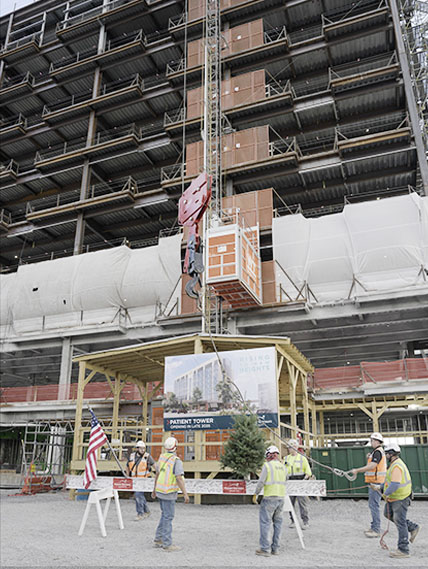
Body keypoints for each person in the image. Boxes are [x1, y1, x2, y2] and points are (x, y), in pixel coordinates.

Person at [379, 443, 420, 559]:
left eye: (387, 454)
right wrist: (381, 487)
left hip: (400, 498)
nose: (386, 456)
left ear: (391, 454)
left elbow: (395, 484)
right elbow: (389, 481)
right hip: (395, 498)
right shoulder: (393, 465)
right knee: (387, 514)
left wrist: (384, 494)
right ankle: (412, 527)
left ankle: (404, 550)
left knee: (400, 521)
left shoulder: (396, 466)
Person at [151, 436, 189, 551]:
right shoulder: (176, 461)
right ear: (175, 447)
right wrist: (185, 494)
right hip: (169, 493)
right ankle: (167, 544)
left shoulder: (161, 458)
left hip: (160, 491)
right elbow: (179, 478)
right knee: (168, 517)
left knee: (164, 515)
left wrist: (154, 489)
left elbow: (157, 474)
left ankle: (159, 539)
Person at [253, 445, 287, 557]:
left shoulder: (267, 466)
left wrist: (256, 494)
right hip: (281, 498)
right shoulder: (283, 467)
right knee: (278, 524)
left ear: (269, 455)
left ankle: (265, 549)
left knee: (265, 523)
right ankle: (275, 549)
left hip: (269, 499)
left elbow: (261, 482)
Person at [350, 432, 386, 537]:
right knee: (373, 505)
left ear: (377, 441)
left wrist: (357, 470)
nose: (371, 442)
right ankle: (374, 526)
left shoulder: (377, 452)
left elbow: (372, 466)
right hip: (375, 481)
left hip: (376, 482)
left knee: (374, 506)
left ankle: (376, 529)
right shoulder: (376, 452)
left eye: (372, 440)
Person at [284, 438, 312, 530]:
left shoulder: (302, 458)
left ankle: (305, 521)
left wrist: (304, 480)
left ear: (296, 447)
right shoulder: (286, 459)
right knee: (290, 504)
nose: (291, 449)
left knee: (302, 503)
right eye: (289, 447)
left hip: (300, 482)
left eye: (292, 447)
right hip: (290, 482)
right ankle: (293, 521)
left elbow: (308, 472)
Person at [126, 440, 155, 521]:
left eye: (144, 448)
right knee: (140, 496)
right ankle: (147, 511)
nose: (142, 450)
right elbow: (127, 466)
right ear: (137, 448)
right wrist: (128, 476)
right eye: (141, 448)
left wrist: (158, 473)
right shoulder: (131, 456)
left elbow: (155, 466)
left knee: (138, 495)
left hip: (144, 480)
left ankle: (140, 513)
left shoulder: (147, 457)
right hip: (135, 480)